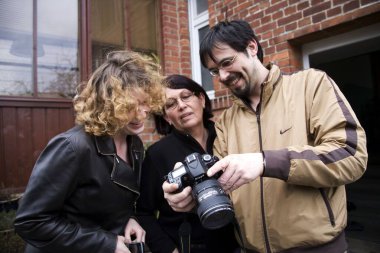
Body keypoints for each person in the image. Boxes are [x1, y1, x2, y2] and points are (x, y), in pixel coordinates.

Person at [162, 20, 368, 253]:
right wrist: (191, 199)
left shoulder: (311, 85)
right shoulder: (226, 122)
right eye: (214, 71)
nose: (222, 76)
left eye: (227, 62)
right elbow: (225, 187)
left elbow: (351, 155)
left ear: (251, 47)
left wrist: (265, 162)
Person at [14, 50, 164, 253]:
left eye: (145, 102)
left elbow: (120, 203)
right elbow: (31, 221)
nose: (142, 112)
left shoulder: (135, 144)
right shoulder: (72, 147)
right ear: (108, 104)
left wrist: (130, 219)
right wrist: (106, 243)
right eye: (131, 105)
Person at [136, 74, 239, 253]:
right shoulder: (157, 154)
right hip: (191, 246)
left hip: (239, 244)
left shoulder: (228, 135)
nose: (182, 106)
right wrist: (169, 250)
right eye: (171, 104)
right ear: (167, 116)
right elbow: (144, 213)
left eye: (186, 96)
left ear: (201, 99)